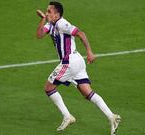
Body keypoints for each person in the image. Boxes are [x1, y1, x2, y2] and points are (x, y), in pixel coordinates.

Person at [36, 1, 121, 135]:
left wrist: (89, 52)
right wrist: (43, 19)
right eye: (46, 11)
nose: (47, 13)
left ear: (57, 14)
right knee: (87, 93)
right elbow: (39, 35)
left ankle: (67, 116)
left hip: (69, 62)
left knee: (49, 88)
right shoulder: (50, 24)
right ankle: (112, 117)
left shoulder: (62, 24)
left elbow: (80, 33)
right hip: (77, 62)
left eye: (49, 12)